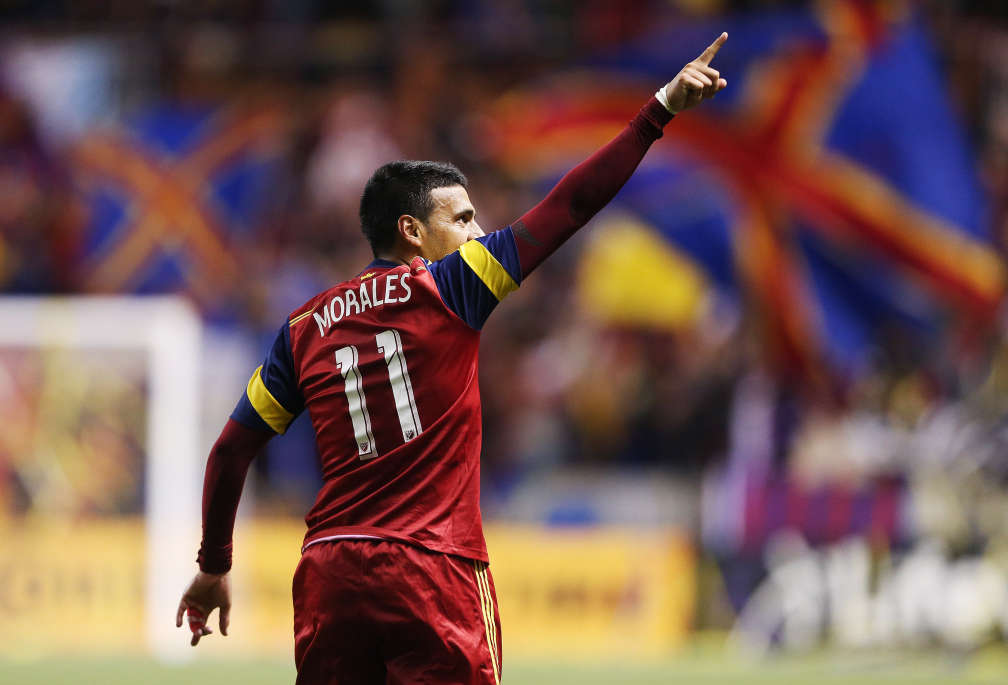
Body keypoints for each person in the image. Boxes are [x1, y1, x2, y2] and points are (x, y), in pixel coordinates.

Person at [176, 32, 728, 684]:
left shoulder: (303, 327)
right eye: (461, 218)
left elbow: (231, 450)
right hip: (432, 569)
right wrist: (658, 109)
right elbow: (572, 204)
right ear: (412, 231)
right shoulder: (452, 287)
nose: (475, 230)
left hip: (330, 573)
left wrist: (214, 564)